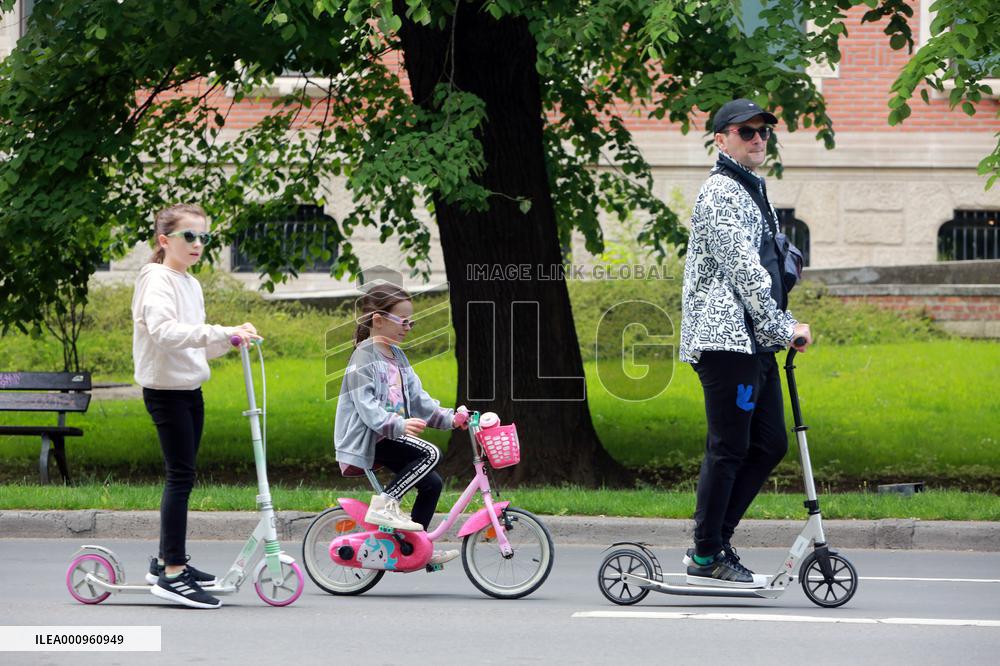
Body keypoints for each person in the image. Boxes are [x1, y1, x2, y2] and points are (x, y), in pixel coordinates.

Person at [679, 99, 813, 588]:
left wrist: (782, 323)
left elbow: (770, 268)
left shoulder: (752, 188)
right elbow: (743, 271)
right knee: (730, 446)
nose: (758, 139)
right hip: (723, 339)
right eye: (746, 131)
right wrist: (785, 328)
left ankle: (715, 541)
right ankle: (707, 552)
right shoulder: (719, 191)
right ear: (721, 139)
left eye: (764, 132)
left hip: (753, 340)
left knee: (769, 443)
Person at [132, 203, 260, 608]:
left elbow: (196, 342)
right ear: (164, 240)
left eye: (204, 237)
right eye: (190, 236)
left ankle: (166, 562)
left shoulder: (190, 282)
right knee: (180, 478)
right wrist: (222, 330)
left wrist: (233, 338)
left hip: (189, 389)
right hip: (166, 392)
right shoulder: (157, 280)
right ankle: (171, 573)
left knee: (184, 475)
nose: (198, 244)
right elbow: (166, 333)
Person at [335, 284, 468, 566]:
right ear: (378, 320)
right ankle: (385, 503)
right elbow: (367, 407)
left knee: (432, 483)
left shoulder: (398, 357)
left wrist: (450, 418)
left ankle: (415, 549)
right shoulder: (363, 357)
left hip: (389, 436)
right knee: (430, 454)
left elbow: (420, 400)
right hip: (370, 438)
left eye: (411, 322)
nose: (408, 327)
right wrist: (398, 424)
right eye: (403, 321)